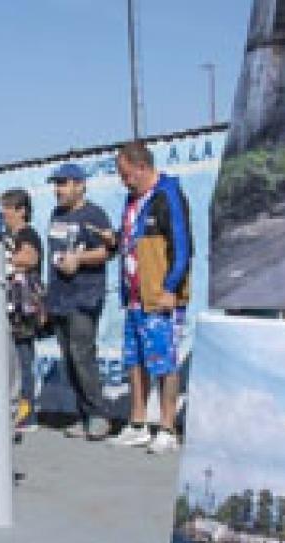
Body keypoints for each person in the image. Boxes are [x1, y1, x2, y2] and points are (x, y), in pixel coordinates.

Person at [105, 140, 193, 454]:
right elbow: (131, 241)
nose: (124, 181)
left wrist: (171, 289)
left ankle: (168, 427)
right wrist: (113, 240)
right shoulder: (132, 201)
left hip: (160, 296)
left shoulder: (168, 196)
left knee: (164, 362)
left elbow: (183, 248)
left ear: (142, 167)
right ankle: (138, 423)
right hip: (134, 296)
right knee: (134, 360)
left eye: (127, 175)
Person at [45, 162, 115, 441]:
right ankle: (83, 414)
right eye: (56, 184)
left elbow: (107, 252)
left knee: (82, 354)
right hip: (60, 297)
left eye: (63, 184)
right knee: (69, 358)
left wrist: (79, 260)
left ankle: (99, 416)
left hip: (84, 296)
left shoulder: (94, 215)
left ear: (80, 185)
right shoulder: (56, 214)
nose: (58, 190)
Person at [0, 187, 45, 433]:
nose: (3, 212)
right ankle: (15, 410)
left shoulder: (27, 234)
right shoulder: (7, 236)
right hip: (9, 308)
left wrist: (0, 258)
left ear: (22, 211)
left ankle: (27, 415)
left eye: (8, 207)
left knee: (22, 361)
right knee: (11, 362)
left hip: (23, 308)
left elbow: (29, 258)